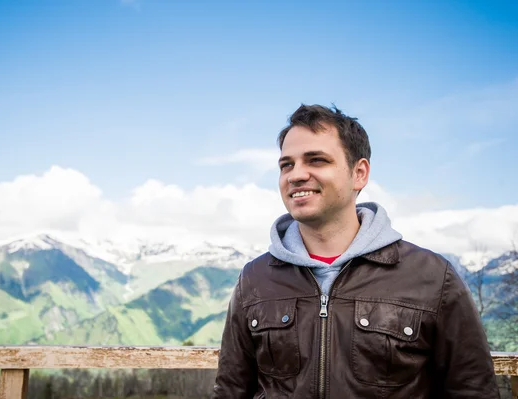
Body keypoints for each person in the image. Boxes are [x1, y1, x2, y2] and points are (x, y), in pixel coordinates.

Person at [212, 104, 499, 398]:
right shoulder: (255, 278)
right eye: (287, 164)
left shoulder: (433, 277)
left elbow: (473, 389)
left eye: (316, 160)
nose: (296, 175)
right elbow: (232, 389)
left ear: (359, 173)